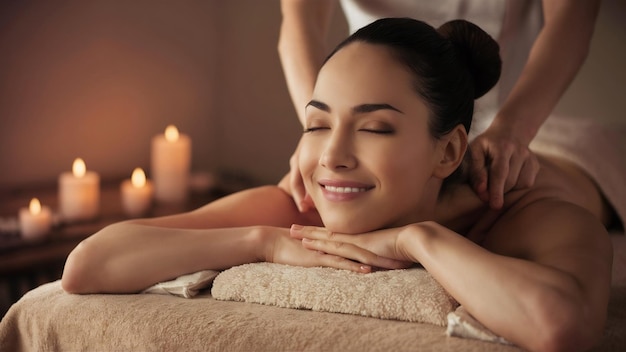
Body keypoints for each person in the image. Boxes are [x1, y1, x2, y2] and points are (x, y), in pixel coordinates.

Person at [62, 18, 615, 352]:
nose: (332, 156)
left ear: (448, 151)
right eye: (317, 124)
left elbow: (560, 328)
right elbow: (87, 265)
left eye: (374, 128)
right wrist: (264, 241)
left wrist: (419, 239)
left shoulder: (529, 212)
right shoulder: (297, 203)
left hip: (583, 157)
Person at [278, 0, 601, 212]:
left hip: (520, 118)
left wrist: (512, 131)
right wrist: (320, 132)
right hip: (363, 116)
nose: (332, 159)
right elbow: (298, 24)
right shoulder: (340, 156)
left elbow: (573, 20)